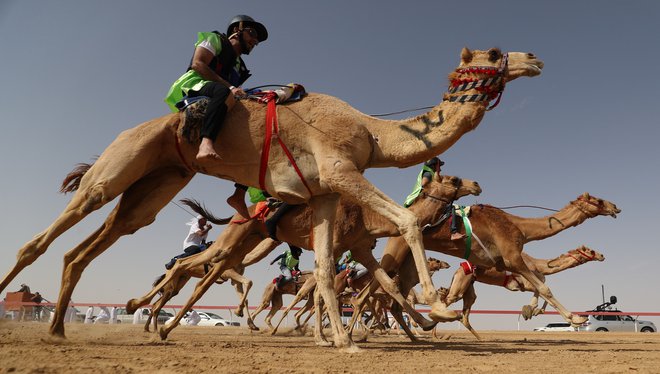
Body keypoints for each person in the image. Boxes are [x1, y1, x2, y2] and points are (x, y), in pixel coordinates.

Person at [164, 15, 268, 219]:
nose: (254, 41)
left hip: (222, 94)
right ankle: (206, 144)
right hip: (194, 84)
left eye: (257, 40)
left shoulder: (241, 66)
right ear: (236, 30)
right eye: (252, 33)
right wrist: (229, 87)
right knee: (224, 93)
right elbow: (198, 64)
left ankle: (239, 194)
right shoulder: (214, 39)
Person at [403, 157, 465, 240]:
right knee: (451, 208)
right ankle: (453, 232)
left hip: (414, 199)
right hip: (419, 200)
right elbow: (423, 184)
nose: (440, 169)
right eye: (439, 166)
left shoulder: (426, 172)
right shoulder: (428, 174)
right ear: (434, 166)